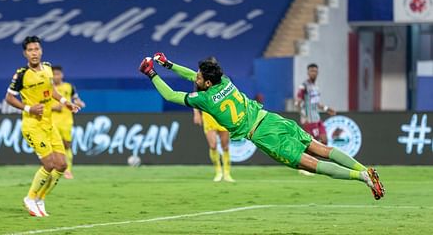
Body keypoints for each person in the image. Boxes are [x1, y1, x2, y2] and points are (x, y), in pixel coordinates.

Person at [139, 53, 385, 200]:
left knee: (313, 165)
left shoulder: (202, 99)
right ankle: (365, 169)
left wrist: (152, 73)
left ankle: (361, 176)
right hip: (272, 118)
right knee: (320, 147)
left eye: (200, 77)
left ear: (207, 82)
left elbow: (171, 95)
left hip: (262, 134)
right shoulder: (225, 80)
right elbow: (192, 75)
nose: (196, 78)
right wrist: (168, 63)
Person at [5, 36, 81, 217]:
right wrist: (29, 108)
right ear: (25, 53)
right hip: (32, 125)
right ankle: (30, 198)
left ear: (41, 50)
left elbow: (52, 90)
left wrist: (66, 101)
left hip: (49, 124)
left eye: (36, 49)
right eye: (30, 50)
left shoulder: (47, 68)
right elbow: (9, 98)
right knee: (49, 163)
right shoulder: (22, 74)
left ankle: (40, 198)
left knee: (61, 165)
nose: (34, 53)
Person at [51, 65, 86, 180]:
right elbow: (41, 104)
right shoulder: (48, 88)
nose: (56, 76)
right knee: (53, 146)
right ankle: (53, 168)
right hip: (52, 120)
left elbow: (76, 99)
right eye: (54, 74)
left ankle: (67, 170)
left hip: (66, 121)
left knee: (66, 145)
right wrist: (53, 107)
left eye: (58, 74)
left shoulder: (69, 87)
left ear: (62, 75)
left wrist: (80, 103)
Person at [295, 63, 336, 145]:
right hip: (309, 120)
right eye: (311, 71)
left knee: (324, 141)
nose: (313, 73)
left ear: (317, 73)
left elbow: (316, 103)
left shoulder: (316, 87)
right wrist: (303, 116)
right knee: (314, 144)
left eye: (315, 71)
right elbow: (297, 103)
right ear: (308, 73)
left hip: (317, 118)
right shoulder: (303, 86)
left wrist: (327, 109)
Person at [193, 108, 235, 182]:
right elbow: (194, 96)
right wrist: (196, 113)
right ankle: (218, 172)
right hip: (208, 115)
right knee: (213, 146)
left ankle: (227, 173)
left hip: (222, 114)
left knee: (225, 147)